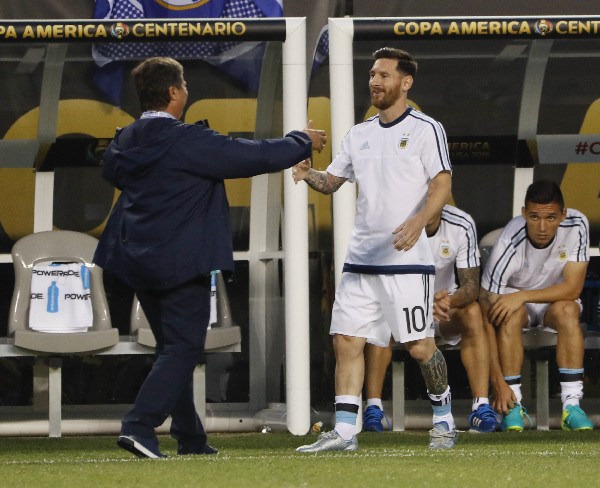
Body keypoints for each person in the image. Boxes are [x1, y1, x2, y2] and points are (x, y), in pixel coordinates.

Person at [93, 57, 327, 459]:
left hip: (136, 258)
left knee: (173, 348)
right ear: (172, 92)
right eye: (183, 85)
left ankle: (191, 438)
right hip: (181, 259)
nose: (187, 91)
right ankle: (139, 425)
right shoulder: (182, 139)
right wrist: (301, 141)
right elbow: (251, 156)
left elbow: (117, 172)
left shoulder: (126, 139)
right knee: (183, 347)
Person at [294, 47, 455, 452]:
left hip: (406, 262)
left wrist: (418, 223)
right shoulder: (358, 134)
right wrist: (304, 172)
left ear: (406, 82)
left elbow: (442, 186)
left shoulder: (425, 129)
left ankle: (444, 418)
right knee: (346, 340)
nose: (374, 82)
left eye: (383, 75)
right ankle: (346, 431)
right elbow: (332, 182)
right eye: (371, 74)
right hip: (361, 259)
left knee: (419, 345)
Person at [362, 204, 502, 433]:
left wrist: (449, 301)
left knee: (473, 312)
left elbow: (470, 287)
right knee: (381, 316)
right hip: (402, 310)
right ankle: (373, 409)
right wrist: (422, 305)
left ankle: (480, 407)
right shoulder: (393, 222)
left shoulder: (461, 223)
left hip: (444, 312)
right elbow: (382, 282)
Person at [480, 179, 593, 431]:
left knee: (568, 310)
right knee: (508, 314)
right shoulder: (509, 242)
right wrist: (497, 382)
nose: (542, 227)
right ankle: (513, 405)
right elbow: (484, 313)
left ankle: (571, 406)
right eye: (534, 217)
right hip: (514, 303)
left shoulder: (577, 224)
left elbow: (573, 288)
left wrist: (523, 295)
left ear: (563, 214)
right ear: (523, 214)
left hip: (550, 300)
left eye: (551, 218)